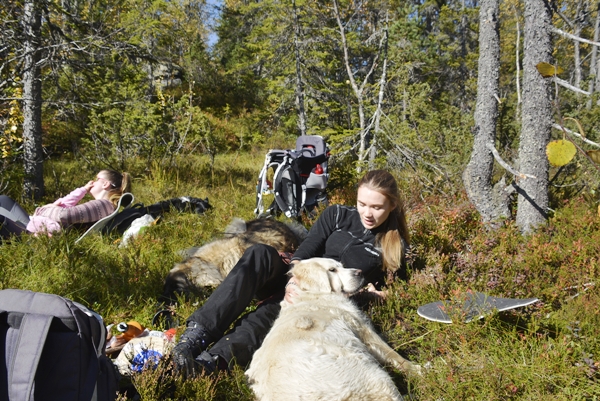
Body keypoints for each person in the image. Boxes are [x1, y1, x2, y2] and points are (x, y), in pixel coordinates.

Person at [171, 169, 410, 376]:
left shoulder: (394, 247)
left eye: (377, 207)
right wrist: (294, 280)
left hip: (324, 299)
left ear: (393, 205)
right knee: (260, 254)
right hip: (299, 275)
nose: (367, 213)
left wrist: (374, 294)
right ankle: (195, 336)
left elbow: (391, 288)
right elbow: (307, 248)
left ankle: (207, 365)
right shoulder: (337, 215)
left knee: (268, 315)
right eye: (362, 204)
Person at [0, 169, 131, 240]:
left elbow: (65, 215)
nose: (92, 181)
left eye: (96, 178)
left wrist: (44, 209)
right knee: (4, 200)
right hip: (39, 227)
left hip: (38, 234)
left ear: (105, 184)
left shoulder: (103, 205)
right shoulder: (103, 205)